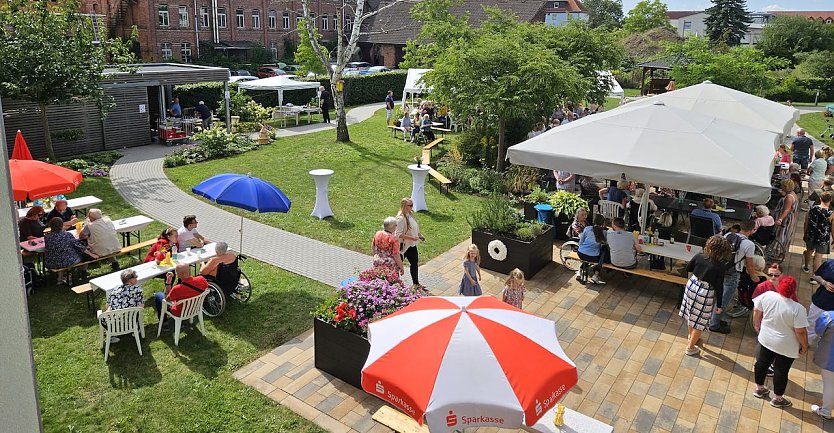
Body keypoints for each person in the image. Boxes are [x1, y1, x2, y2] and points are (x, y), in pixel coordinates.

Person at [752, 276, 808, 408]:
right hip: (786, 346)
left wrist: (756, 324)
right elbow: (800, 332)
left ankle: (759, 388)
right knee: (781, 371)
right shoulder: (798, 309)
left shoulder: (768, 295)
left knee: (761, 363)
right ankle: (778, 398)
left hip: (766, 339)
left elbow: (756, 310)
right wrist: (804, 346)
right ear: (793, 290)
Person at [680, 235, 731, 356]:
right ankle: (690, 347)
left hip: (692, 285)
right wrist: (719, 305)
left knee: (691, 314)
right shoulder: (720, 266)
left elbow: (688, 268)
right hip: (705, 292)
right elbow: (719, 286)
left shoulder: (699, 256)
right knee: (700, 321)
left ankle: (691, 337)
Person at [709, 220, 757, 333]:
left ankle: (717, 319)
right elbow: (749, 265)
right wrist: (755, 277)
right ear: (752, 230)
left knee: (718, 297)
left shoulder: (728, 235)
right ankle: (714, 324)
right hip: (733, 273)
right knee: (723, 301)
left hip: (720, 270)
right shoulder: (749, 245)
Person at [152, 263, 208, 329]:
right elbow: (205, 288)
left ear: (181, 274)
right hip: (196, 308)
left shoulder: (177, 289)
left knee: (158, 295)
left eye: (177, 273)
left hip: (180, 312)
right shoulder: (201, 279)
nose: (176, 274)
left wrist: (168, 283)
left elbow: (167, 300)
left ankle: (164, 323)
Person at [44, 217, 98, 284]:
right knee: (85, 255)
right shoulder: (67, 235)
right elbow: (79, 247)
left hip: (52, 263)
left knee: (60, 255)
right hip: (68, 262)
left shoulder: (47, 237)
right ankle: (82, 272)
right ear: (62, 225)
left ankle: (60, 278)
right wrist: (91, 254)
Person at [99, 269, 144, 343]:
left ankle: (111, 335)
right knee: (137, 311)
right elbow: (141, 308)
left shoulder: (115, 289)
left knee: (105, 315)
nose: (137, 278)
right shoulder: (137, 290)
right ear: (130, 280)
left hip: (112, 325)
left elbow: (107, 306)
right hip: (129, 323)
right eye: (135, 276)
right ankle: (136, 329)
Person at [395, 198, 424, 286]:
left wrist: (419, 235)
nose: (412, 207)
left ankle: (416, 283)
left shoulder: (410, 215)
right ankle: (394, 285)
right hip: (403, 246)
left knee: (414, 264)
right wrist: (412, 238)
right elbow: (398, 234)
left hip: (412, 245)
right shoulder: (400, 219)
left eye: (412, 205)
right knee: (397, 266)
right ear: (404, 206)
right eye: (410, 205)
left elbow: (414, 227)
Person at [804, 191, 834, 275]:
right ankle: (814, 276)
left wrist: (805, 233)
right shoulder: (831, 214)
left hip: (811, 234)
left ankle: (806, 267)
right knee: (818, 256)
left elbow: (806, 222)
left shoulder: (812, 209)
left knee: (809, 251)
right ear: (830, 200)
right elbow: (833, 229)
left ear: (820, 198)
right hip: (823, 238)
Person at [812, 310, 834, 420]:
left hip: (830, 358)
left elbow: (818, 330)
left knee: (829, 384)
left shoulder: (829, 316)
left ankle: (826, 411)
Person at [577, 214, 608, 285]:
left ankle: (580, 270)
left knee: (587, 255)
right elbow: (605, 244)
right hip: (594, 257)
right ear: (603, 223)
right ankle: (596, 274)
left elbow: (580, 242)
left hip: (581, 253)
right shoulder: (604, 232)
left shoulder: (587, 228)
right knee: (604, 250)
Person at [809, 260, 834, 342]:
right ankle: (804, 344)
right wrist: (824, 282)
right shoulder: (829, 264)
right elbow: (815, 276)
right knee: (811, 325)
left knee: (828, 333)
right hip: (820, 302)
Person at [774, 179, 799, 252]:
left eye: (782, 185)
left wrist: (780, 219)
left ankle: (778, 251)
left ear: (785, 186)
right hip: (791, 218)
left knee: (781, 234)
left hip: (785, 219)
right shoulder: (793, 194)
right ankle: (781, 251)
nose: (781, 186)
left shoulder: (789, 197)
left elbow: (786, 210)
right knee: (785, 235)